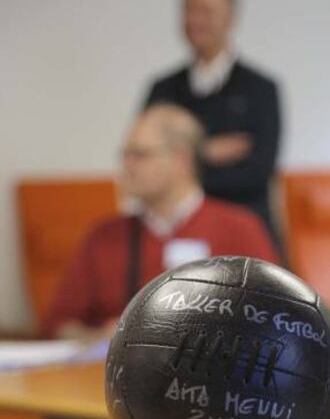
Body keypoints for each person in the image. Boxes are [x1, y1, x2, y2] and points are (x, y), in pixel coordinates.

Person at [43, 104, 279, 339]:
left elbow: (275, 319)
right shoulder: (104, 236)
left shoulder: (241, 228)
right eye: (124, 155)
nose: (126, 166)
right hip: (119, 371)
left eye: (139, 154)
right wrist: (102, 337)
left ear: (181, 159)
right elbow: (57, 324)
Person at [144, 0, 283, 250]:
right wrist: (205, 151)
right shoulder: (162, 90)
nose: (194, 20)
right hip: (175, 240)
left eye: (205, 11)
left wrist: (183, 164)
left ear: (231, 17)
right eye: (188, 9)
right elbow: (149, 165)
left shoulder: (261, 90)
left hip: (245, 242)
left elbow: (257, 174)